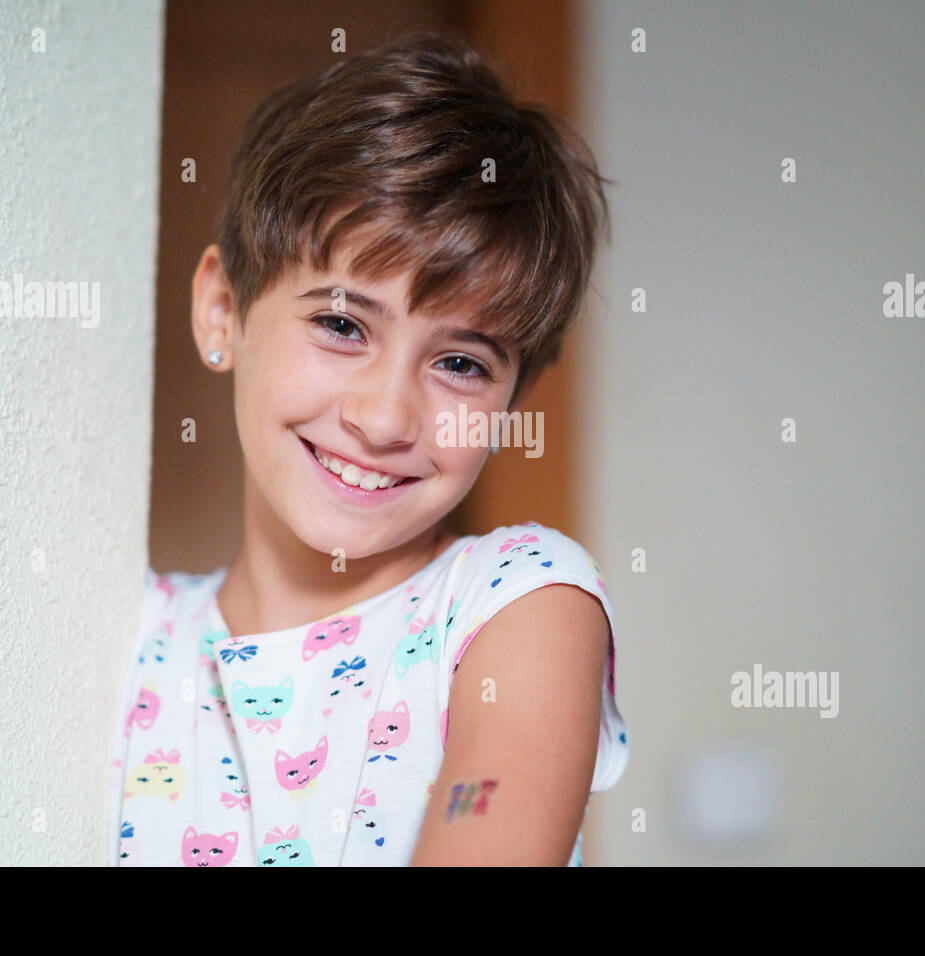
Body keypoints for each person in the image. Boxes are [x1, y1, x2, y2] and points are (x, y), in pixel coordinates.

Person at [109, 29, 629, 866]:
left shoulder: (518, 605)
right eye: (342, 324)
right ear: (222, 312)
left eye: (460, 363)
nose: (387, 418)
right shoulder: (118, 630)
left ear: (512, 400)